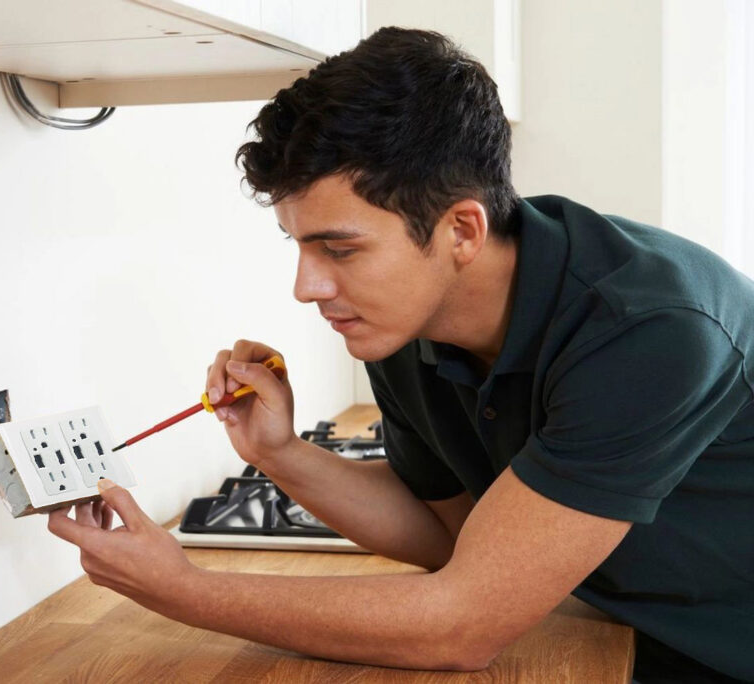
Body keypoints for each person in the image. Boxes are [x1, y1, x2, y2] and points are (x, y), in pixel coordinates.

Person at [47, 27, 754, 683]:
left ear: (461, 230)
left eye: (340, 248)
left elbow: (463, 625)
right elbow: (450, 533)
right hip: (637, 627)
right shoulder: (409, 322)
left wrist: (183, 589)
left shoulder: (647, 329)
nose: (307, 287)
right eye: (299, 245)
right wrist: (281, 453)